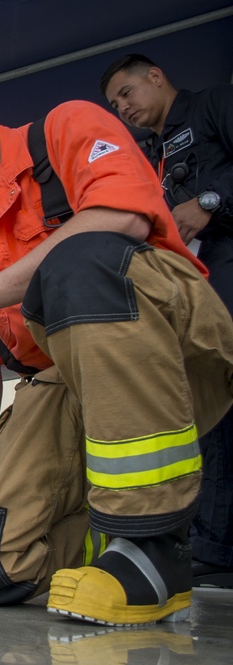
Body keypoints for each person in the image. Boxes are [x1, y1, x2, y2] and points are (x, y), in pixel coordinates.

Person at [0, 80, 233, 626]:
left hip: (169, 349)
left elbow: (122, 218)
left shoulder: (63, 130)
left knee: (80, 261)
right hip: (61, 385)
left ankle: (153, 548)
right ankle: (105, 552)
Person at [101, 54, 233, 588]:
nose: (124, 107)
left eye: (128, 92)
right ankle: (213, 543)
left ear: (156, 76)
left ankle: (215, 545)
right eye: (115, 104)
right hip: (194, 295)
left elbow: (207, 202)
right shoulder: (149, 157)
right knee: (208, 409)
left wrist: (211, 200)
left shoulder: (213, 104)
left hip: (227, 271)